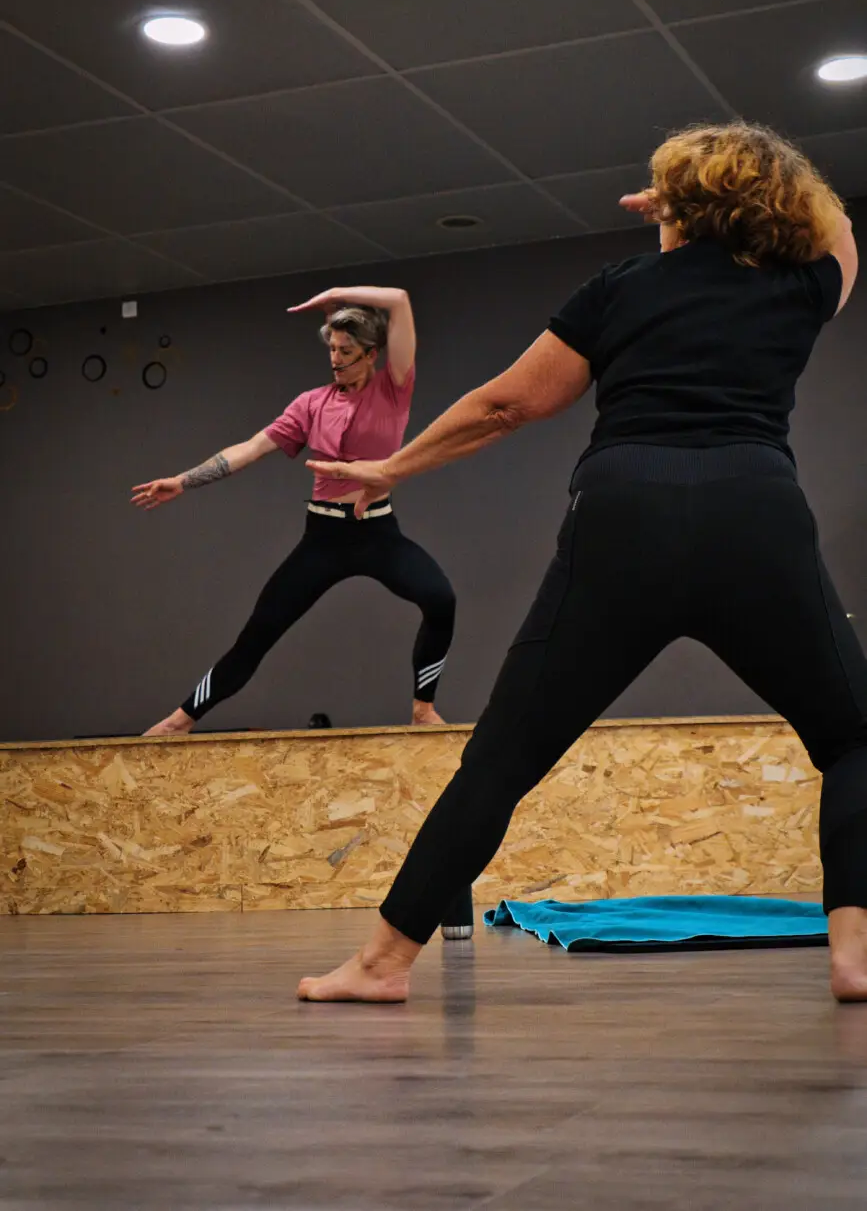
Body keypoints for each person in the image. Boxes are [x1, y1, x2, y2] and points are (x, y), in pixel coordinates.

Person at [295, 121, 867, 1005]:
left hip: (622, 517)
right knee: (853, 739)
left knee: (502, 755)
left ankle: (378, 966)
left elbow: (504, 406)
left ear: (677, 204)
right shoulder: (797, 287)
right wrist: (734, 197)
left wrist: (390, 467)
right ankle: (855, 957)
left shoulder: (621, 287)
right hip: (754, 513)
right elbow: (836, 231)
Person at [133, 285, 457, 735]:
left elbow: (401, 299)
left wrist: (340, 294)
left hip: (377, 532)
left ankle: (423, 709)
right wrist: (184, 481)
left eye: (346, 350)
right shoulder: (310, 404)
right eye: (331, 349)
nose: (335, 358)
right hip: (322, 540)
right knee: (257, 634)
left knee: (440, 599)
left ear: (371, 354)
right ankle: (179, 721)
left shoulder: (394, 388)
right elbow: (249, 449)